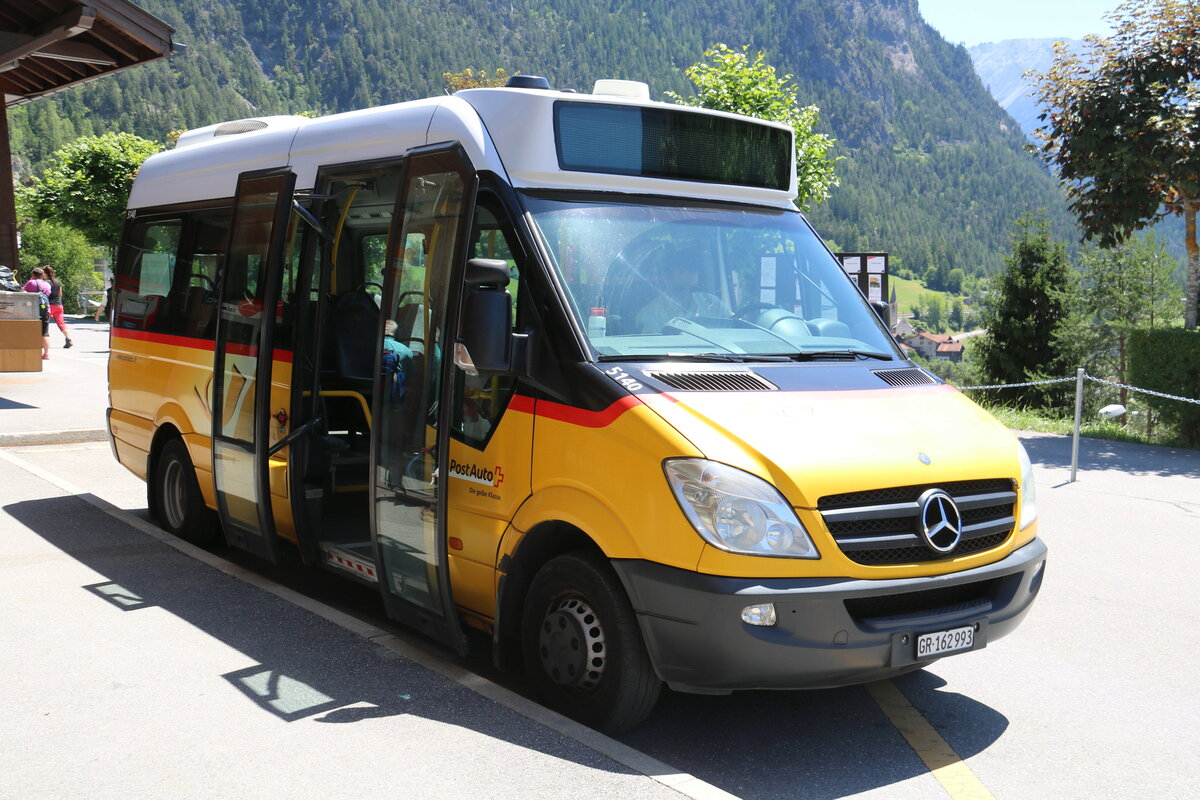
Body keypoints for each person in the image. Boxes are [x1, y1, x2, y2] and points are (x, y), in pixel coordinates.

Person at [634, 258, 725, 333]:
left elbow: (732, 329)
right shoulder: (650, 314)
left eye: (690, 288)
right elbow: (649, 350)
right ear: (666, 278)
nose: (685, 293)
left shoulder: (711, 303)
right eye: (679, 288)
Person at [40, 266, 74, 349]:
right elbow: (60, 294)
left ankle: (43, 342)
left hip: (48, 305)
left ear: (45, 273)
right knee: (61, 323)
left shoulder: (45, 283)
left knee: (44, 323)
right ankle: (69, 339)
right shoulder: (57, 282)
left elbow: (43, 294)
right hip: (59, 305)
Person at [22, 267, 52, 360]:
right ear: (42, 275)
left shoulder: (31, 282)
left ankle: (32, 352)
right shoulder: (47, 284)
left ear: (33, 275)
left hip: (33, 310)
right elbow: (49, 294)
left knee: (31, 331)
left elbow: (23, 292)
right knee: (44, 333)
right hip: (45, 309)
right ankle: (46, 354)